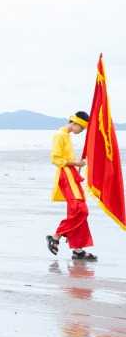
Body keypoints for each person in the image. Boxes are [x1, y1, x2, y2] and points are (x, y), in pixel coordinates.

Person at [47, 111, 96, 261]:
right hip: (66, 174)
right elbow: (55, 159)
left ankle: (77, 249)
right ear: (74, 123)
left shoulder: (66, 135)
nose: (81, 132)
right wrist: (76, 163)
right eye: (81, 128)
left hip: (71, 173)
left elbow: (65, 157)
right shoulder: (60, 135)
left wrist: (77, 162)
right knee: (80, 210)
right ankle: (56, 236)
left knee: (77, 210)